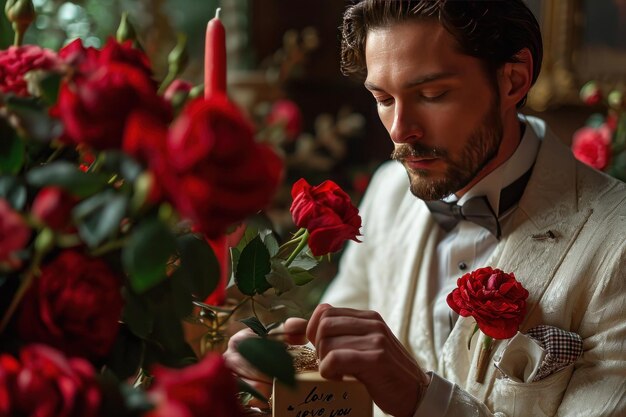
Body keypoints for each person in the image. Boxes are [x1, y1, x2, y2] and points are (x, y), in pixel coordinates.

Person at [225, 1, 626, 416]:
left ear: (513, 80)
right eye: (383, 98)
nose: (401, 130)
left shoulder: (619, 243)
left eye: (432, 94)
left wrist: (421, 397)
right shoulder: (388, 191)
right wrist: (283, 372)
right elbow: (335, 378)